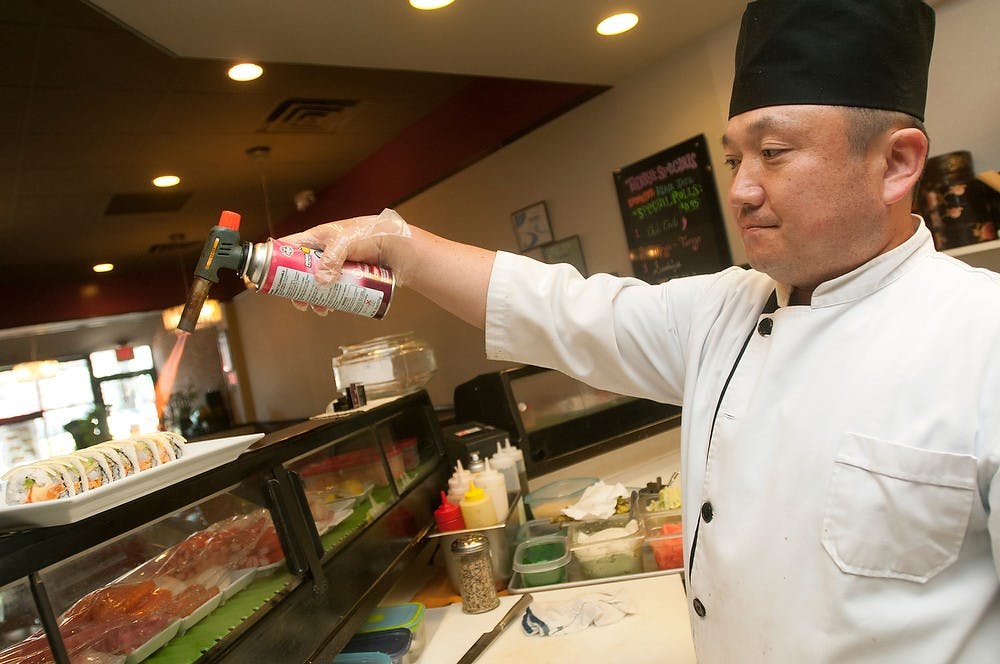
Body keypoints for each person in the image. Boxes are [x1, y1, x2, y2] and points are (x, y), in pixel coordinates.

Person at [282, 1, 1000, 660]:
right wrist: (398, 246)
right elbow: (561, 309)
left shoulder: (982, 338)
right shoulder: (728, 310)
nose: (743, 187)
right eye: (733, 159)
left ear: (897, 163)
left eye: (774, 153)